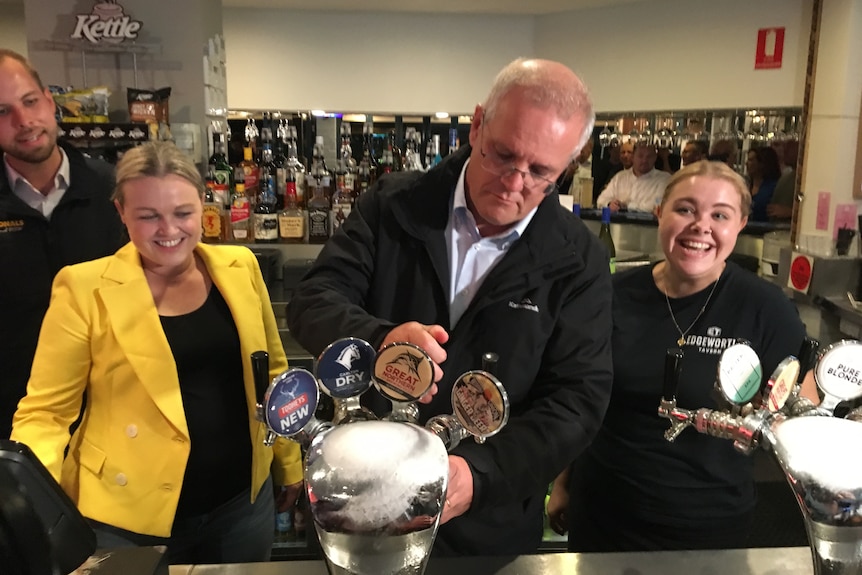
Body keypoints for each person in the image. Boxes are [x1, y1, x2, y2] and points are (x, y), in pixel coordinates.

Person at [286, 57, 614, 556]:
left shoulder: (577, 257)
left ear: (566, 167)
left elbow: (577, 401)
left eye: (540, 172)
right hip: (359, 504)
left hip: (486, 531)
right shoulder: (394, 203)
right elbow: (313, 299)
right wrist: (378, 342)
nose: (514, 182)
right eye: (502, 155)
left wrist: (480, 476)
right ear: (477, 123)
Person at [10, 141, 303, 565]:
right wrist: (33, 506)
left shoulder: (240, 267)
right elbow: (46, 413)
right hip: (125, 518)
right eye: (148, 216)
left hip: (241, 505)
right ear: (121, 213)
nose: (169, 230)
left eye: (183, 213)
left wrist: (288, 462)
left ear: (203, 207)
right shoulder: (82, 288)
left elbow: (272, 374)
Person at [547, 160, 806, 552]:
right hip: (603, 512)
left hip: (709, 524)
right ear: (659, 214)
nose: (700, 226)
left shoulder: (766, 311)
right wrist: (563, 482)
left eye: (720, 215)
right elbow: (582, 401)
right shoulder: (611, 295)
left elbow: (793, 414)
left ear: (740, 224)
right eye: (685, 209)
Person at [0, 49, 125, 438]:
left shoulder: (116, 189)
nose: (24, 121)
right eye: (1, 112)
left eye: (30, 102)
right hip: (17, 423)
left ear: (50, 102)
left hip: (117, 415)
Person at [596, 142, 671, 212]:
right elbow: (601, 200)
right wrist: (609, 204)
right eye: (640, 156)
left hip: (648, 225)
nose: (644, 160)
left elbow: (657, 205)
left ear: (655, 157)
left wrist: (626, 206)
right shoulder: (620, 177)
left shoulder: (664, 179)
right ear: (633, 157)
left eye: (649, 156)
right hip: (617, 223)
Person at [746, 146, 781, 222]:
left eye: (751, 160)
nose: (747, 163)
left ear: (761, 164)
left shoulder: (773, 187)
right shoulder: (745, 185)